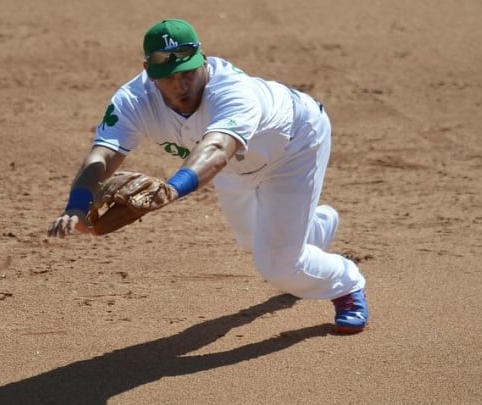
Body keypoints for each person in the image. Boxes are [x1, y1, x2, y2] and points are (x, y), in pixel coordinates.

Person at [47, 18, 369, 333]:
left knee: (277, 266)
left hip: (294, 147)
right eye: (170, 77)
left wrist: (172, 189)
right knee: (250, 240)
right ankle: (313, 228)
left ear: (203, 60)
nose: (182, 85)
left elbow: (217, 148)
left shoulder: (233, 91)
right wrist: (77, 204)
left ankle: (346, 283)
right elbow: (102, 155)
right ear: (149, 73)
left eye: (188, 72)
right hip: (231, 165)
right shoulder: (133, 100)